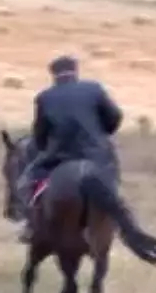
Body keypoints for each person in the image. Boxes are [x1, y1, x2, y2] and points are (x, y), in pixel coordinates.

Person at [14, 54, 124, 244]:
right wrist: (102, 134)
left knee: (26, 180)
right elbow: (115, 116)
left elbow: (40, 132)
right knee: (112, 174)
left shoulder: (44, 97)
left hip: (60, 156)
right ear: (76, 71)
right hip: (96, 153)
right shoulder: (94, 89)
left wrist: (43, 148)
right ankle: (115, 215)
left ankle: (31, 226)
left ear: (53, 74)